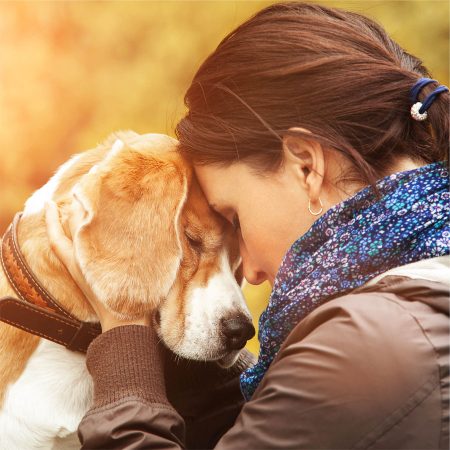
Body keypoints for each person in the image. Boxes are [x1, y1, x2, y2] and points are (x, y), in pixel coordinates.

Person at [45, 2, 449, 449]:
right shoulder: (420, 297)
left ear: (306, 166)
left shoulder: (367, 346)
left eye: (235, 218)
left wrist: (124, 340)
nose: (251, 272)